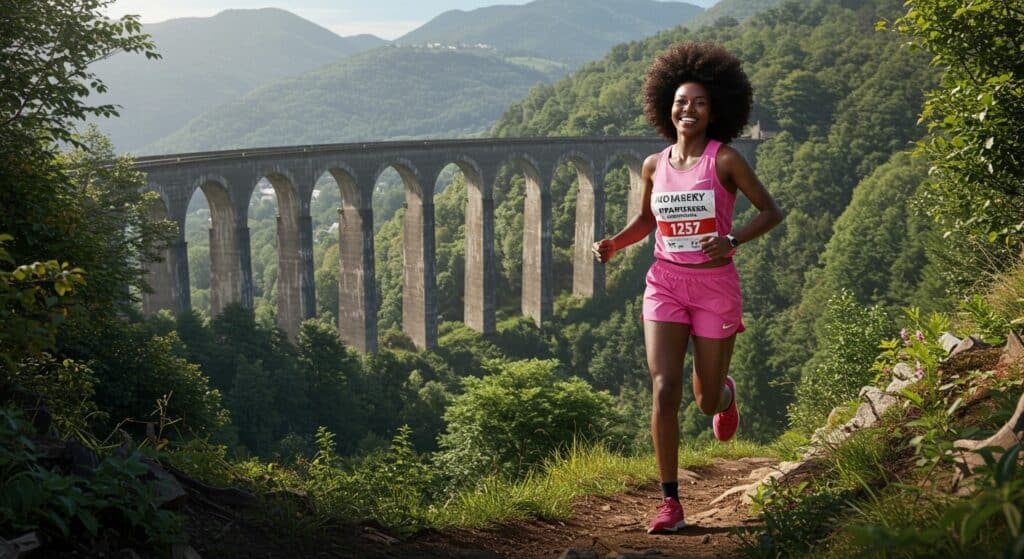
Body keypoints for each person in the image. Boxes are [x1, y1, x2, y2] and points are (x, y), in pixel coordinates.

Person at [591, 42, 784, 534]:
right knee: (663, 388)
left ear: (714, 109)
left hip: (715, 286)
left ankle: (725, 395)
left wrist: (733, 238)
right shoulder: (654, 165)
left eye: (699, 103)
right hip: (665, 284)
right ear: (666, 108)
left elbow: (770, 211)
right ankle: (670, 502)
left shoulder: (726, 161)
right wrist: (616, 243)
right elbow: (646, 220)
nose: (688, 110)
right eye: (680, 102)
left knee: (704, 398)